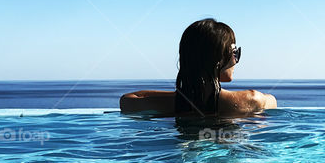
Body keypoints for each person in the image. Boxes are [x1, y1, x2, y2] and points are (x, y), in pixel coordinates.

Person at [119, 18, 277, 117]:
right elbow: (273, 101)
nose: (236, 61)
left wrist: (184, 94)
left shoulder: (167, 104)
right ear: (218, 59)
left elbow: (128, 100)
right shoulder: (251, 99)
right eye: (235, 53)